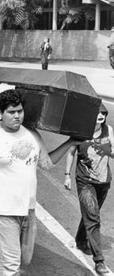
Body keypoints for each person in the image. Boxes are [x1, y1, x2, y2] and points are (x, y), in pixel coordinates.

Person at [0, 89, 79, 276]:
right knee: (11, 267)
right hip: (2, 212)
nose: (17, 116)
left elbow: (46, 163)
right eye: (11, 112)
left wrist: (71, 142)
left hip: (28, 210)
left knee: (22, 260)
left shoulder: (32, 134)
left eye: (20, 111)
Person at [64, 103, 114, 275]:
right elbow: (71, 152)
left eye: (103, 113)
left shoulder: (108, 130)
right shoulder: (80, 132)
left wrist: (109, 151)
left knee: (91, 212)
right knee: (93, 218)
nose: (100, 116)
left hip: (104, 180)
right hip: (85, 181)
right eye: (97, 113)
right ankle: (99, 261)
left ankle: (80, 239)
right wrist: (66, 176)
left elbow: (113, 151)